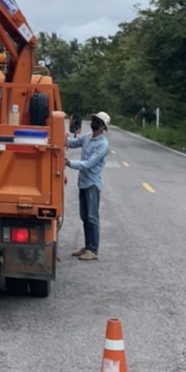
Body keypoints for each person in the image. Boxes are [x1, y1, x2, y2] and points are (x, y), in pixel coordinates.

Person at [65, 111, 110, 260]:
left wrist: (70, 163)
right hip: (83, 182)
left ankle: (93, 250)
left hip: (92, 183)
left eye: (97, 121)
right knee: (84, 217)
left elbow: (89, 164)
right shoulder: (87, 138)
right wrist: (64, 136)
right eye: (94, 119)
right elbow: (71, 143)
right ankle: (87, 246)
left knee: (92, 217)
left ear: (103, 126)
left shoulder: (103, 145)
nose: (94, 122)